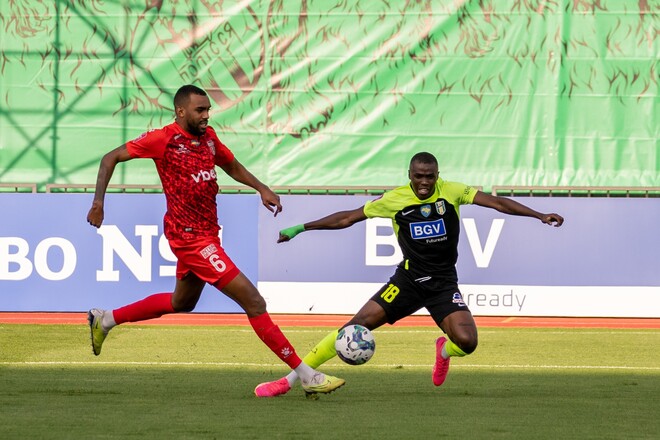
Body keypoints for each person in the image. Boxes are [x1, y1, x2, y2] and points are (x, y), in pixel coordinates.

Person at [86, 84, 344, 397]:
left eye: (208, 109)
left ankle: (106, 319)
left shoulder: (208, 139)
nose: (207, 115)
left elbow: (231, 165)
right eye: (200, 110)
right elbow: (109, 158)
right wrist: (99, 202)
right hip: (190, 239)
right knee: (254, 301)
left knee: (182, 302)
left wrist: (261, 187)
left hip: (207, 233)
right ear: (181, 111)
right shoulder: (162, 139)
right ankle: (306, 375)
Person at [254, 151, 564, 397]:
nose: (425, 182)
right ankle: (291, 380)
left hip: (443, 284)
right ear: (410, 176)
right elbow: (347, 218)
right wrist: (301, 228)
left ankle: (444, 349)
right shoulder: (394, 200)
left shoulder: (453, 192)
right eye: (419, 177)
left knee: (468, 342)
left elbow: (496, 203)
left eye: (430, 177)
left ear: (437, 176)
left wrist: (538, 215)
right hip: (408, 281)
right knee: (354, 326)